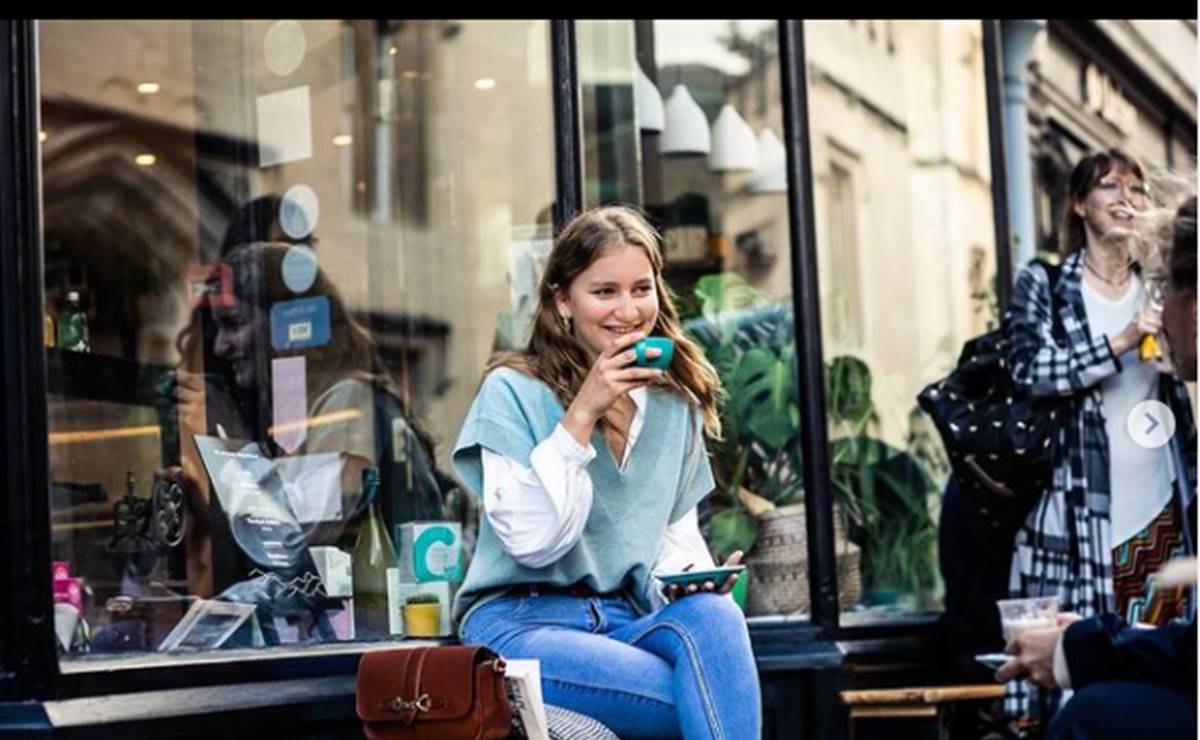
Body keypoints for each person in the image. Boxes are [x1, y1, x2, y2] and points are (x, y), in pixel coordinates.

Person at [450, 205, 761, 739]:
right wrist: (583, 413)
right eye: (605, 291)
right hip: (523, 626)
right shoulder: (512, 392)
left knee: (717, 617)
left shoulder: (674, 407)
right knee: (703, 698)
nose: (628, 309)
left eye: (641, 289)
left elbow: (671, 542)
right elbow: (534, 544)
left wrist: (694, 581)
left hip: (625, 622)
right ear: (562, 301)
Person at [164, 220, 445, 644]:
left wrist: (228, 438)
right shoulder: (311, 412)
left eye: (234, 324)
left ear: (289, 329)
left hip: (381, 637)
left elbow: (295, 550)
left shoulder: (347, 401)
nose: (221, 346)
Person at [999, 150, 1197, 718]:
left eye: (1137, 190)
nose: (1127, 199)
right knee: (1077, 667)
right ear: (1080, 204)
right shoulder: (1047, 283)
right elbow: (1029, 372)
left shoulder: (1159, 285)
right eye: (1110, 187)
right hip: (1080, 505)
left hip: (1161, 496)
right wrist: (1120, 343)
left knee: (1159, 647)